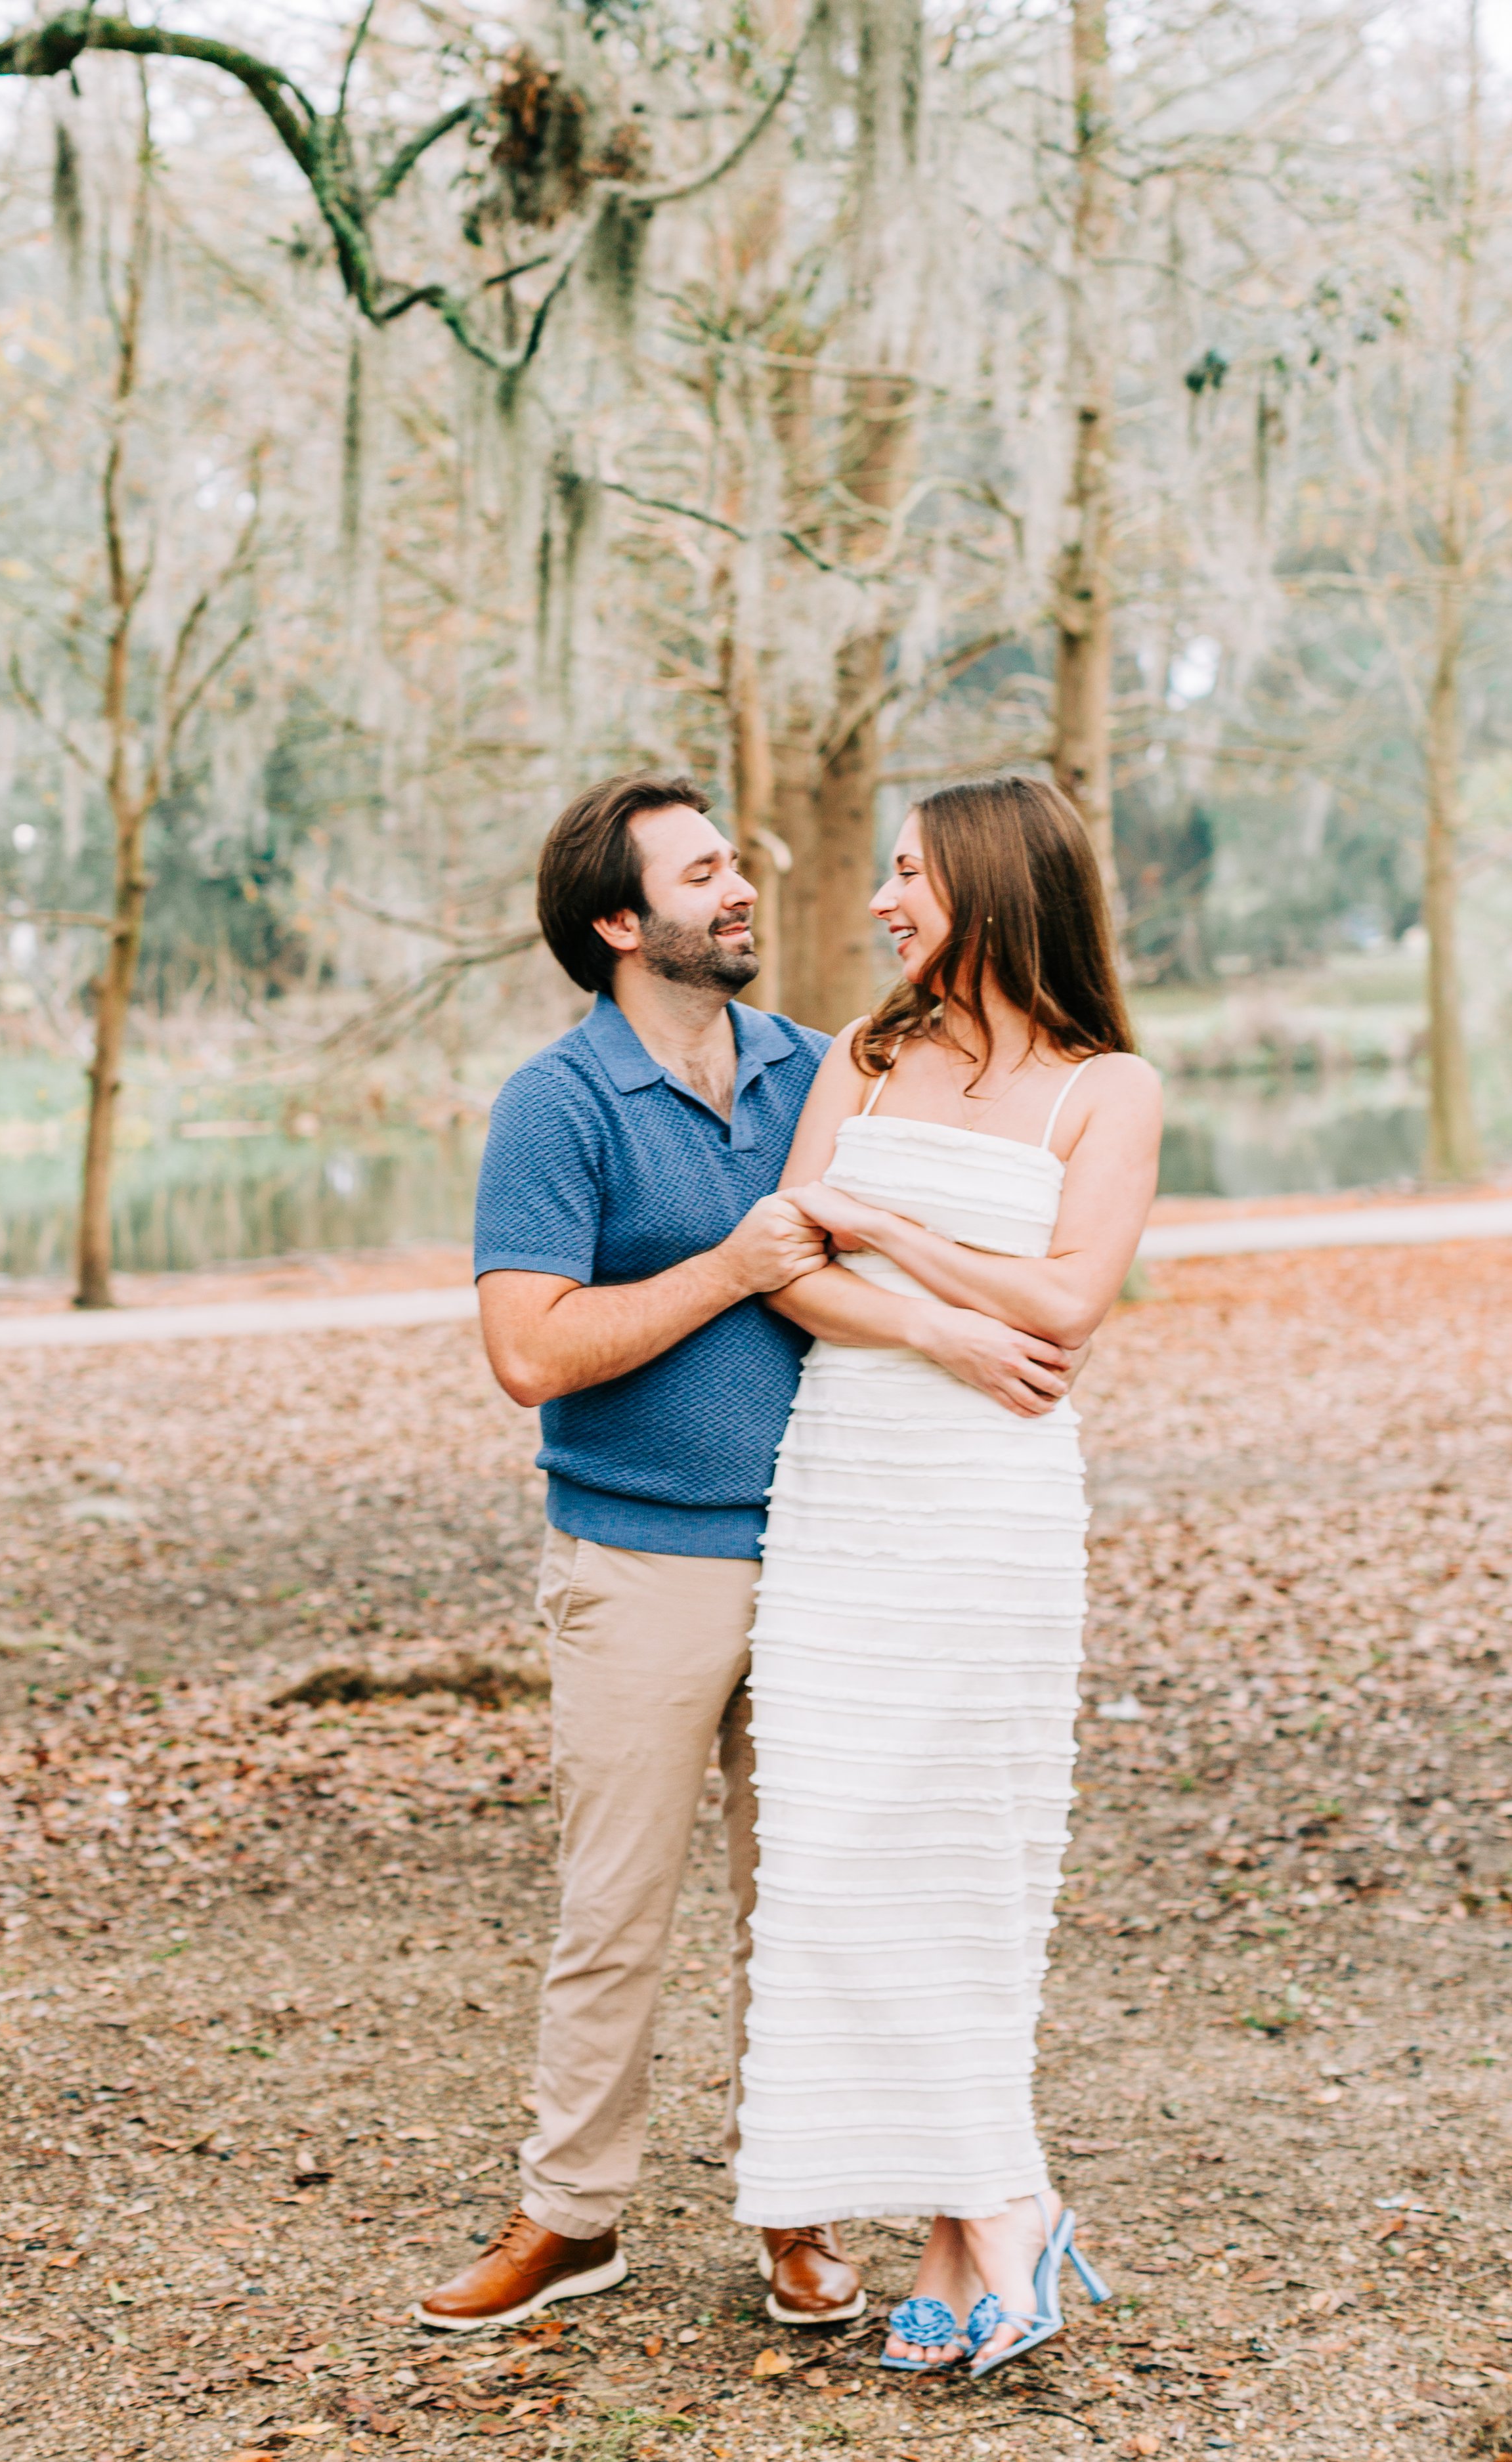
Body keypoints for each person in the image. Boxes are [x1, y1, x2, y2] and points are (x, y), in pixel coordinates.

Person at [418, 773, 1056, 2331]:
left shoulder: (824, 1067)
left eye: (734, 863)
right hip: (637, 1563)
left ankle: (798, 2211)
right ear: (621, 924)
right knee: (614, 1910)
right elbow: (529, 1351)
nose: (742, 889)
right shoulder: (553, 1106)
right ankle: (570, 2218)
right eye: (703, 875)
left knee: (814, 1902)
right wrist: (721, 1267)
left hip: (838, 1557)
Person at [731, 773, 1162, 2375]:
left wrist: (891, 1235)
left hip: (989, 1506)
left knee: (967, 1860)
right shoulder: (865, 1055)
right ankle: (990, 2204)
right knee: (842, 1847)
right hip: (848, 1490)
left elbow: (1067, 1308)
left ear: (986, 883)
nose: (880, 900)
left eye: (908, 872)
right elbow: (791, 1267)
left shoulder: (1106, 1090)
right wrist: (920, 1313)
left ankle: (974, 2217)